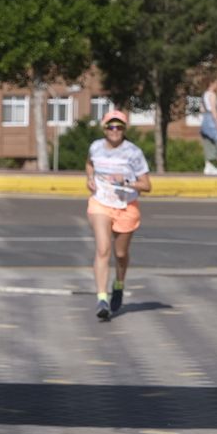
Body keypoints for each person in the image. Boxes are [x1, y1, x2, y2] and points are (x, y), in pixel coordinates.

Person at [85, 109, 152, 320]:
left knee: (120, 254)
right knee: (103, 248)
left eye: (119, 127)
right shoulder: (95, 147)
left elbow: (147, 185)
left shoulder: (133, 152)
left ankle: (119, 283)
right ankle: (102, 299)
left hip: (126, 206)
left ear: (124, 129)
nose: (115, 131)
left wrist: (126, 182)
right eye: (111, 126)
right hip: (101, 203)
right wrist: (89, 178)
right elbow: (89, 164)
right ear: (104, 128)